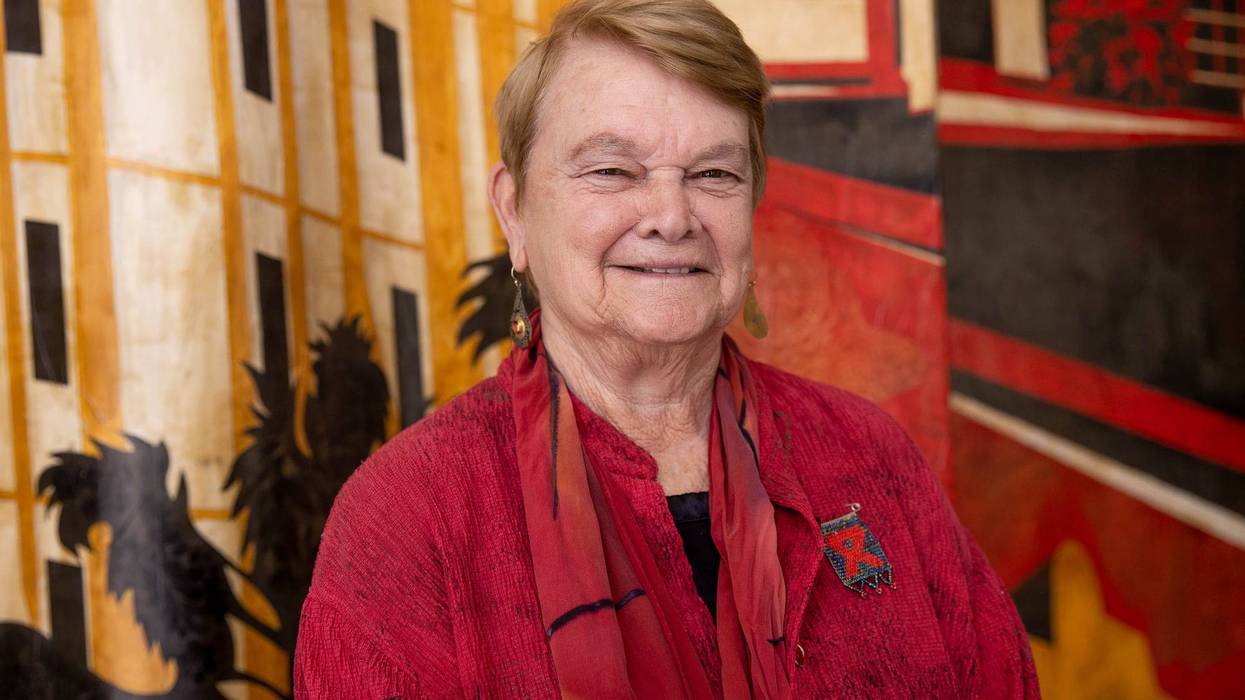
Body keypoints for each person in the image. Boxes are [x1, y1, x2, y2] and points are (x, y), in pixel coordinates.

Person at [293, 0, 1038, 697]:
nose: (671, 216)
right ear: (515, 212)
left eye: (713, 174)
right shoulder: (407, 518)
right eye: (612, 170)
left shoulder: (868, 457)